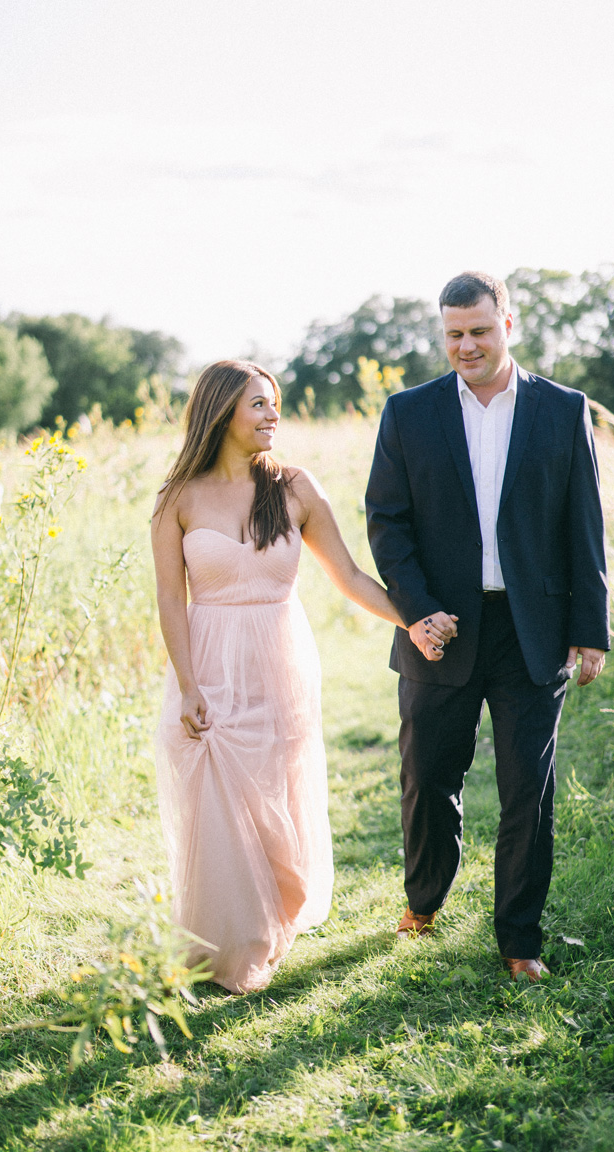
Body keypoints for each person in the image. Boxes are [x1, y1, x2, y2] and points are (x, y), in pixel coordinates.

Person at [365, 271, 609, 982]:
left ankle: (519, 940)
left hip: (532, 629)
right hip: (438, 628)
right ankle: (423, 902)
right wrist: (414, 611)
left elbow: (583, 526)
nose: (465, 345)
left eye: (478, 330)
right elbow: (387, 520)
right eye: (453, 335)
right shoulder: (408, 413)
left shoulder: (563, 410)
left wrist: (590, 628)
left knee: (527, 789)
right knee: (428, 775)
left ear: (509, 323)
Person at [152, 359, 403, 994]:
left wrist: (414, 620)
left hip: (281, 661)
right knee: (219, 804)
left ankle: (277, 914)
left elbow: (348, 577)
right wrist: (188, 685)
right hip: (207, 663)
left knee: (278, 800)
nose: (272, 415)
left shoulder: (294, 489)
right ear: (220, 414)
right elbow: (169, 602)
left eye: (274, 403)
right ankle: (236, 947)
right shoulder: (177, 499)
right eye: (258, 405)